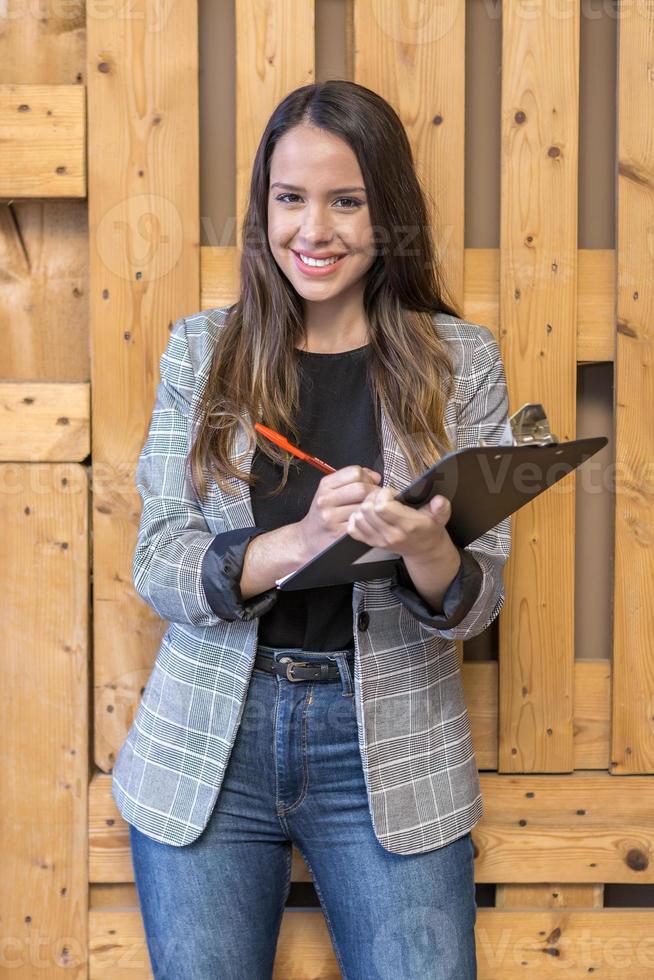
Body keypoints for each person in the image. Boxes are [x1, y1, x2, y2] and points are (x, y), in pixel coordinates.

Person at [112, 79, 511, 980]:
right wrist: (300, 543)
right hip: (212, 739)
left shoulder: (460, 361)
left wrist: (425, 549)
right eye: (289, 199)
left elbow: (478, 601)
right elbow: (159, 559)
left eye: (346, 201)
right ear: (263, 209)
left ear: (389, 212)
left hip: (392, 748)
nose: (313, 230)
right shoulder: (200, 350)